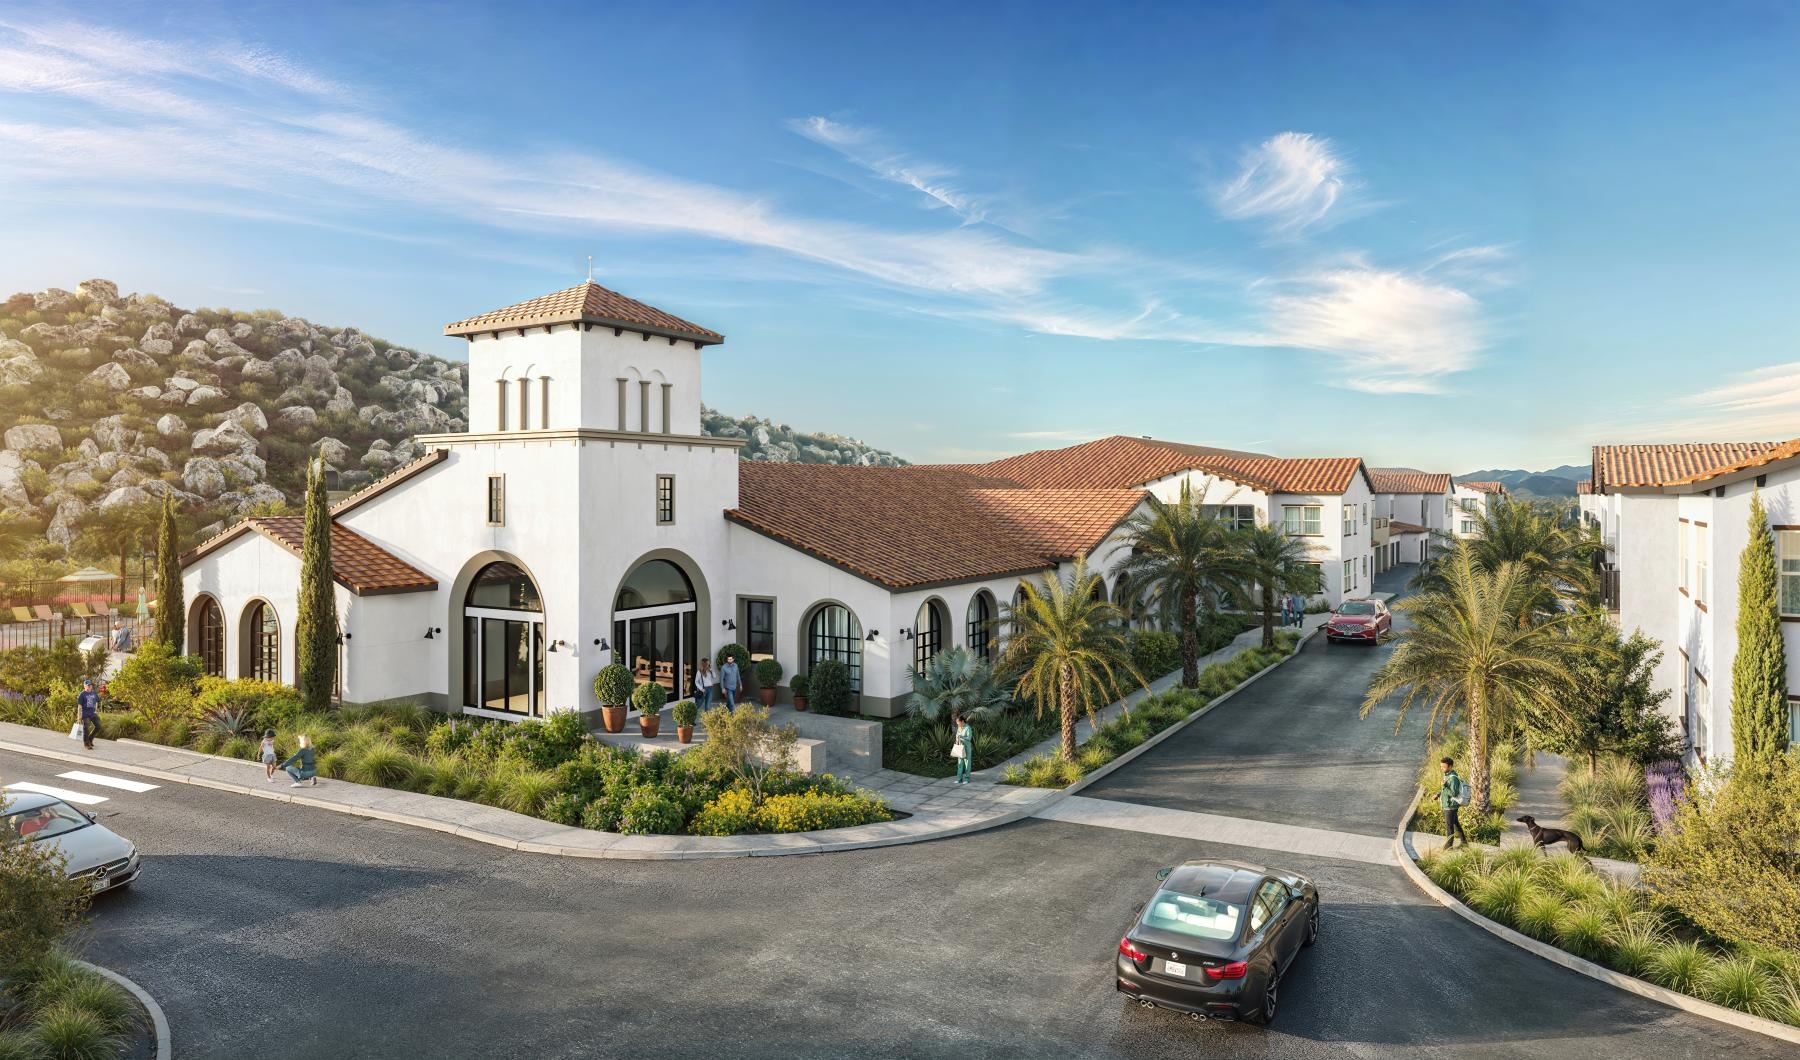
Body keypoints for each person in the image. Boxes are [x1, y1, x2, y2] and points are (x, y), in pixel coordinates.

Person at [1439, 756, 1469, 848]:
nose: (1442, 768)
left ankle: (1448, 846)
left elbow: (1454, 793)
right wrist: (1437, 794)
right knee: (1455, 824)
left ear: (1450, 767)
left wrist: (1445, 786)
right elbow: (1446, 789)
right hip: (1449, 804)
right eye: (1441, 766)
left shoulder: (1453, 778)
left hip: (1450, 806)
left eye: (1444, 767)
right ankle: (1464, 843)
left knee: (1449, 826)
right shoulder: (1447, 775)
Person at [77, 679, 101, 751]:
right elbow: (79, 707)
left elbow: (96, 701)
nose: (89, 687)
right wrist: (79, 717)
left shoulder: (94, 693)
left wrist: (96, 710)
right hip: (85, 714)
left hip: (92, 713)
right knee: (86, 728)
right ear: (84, 686)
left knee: (98, 726)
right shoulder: (82, 694)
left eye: (90, 685)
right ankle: (86, 744)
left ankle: (90, 739)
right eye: (88, 686)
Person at [951, 712, 973, 785]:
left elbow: (969, 738)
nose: (958, 725)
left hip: (967, 748)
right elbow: (957, 735)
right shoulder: (959, 728)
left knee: (967, 764)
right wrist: (957, 739)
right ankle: (959, 779)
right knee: (960, 763)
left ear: (962, 721)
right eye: (957, 724)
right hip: (960, 748)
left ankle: (967, 779)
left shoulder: (968, 728)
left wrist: (962, 737)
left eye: (959, 723)